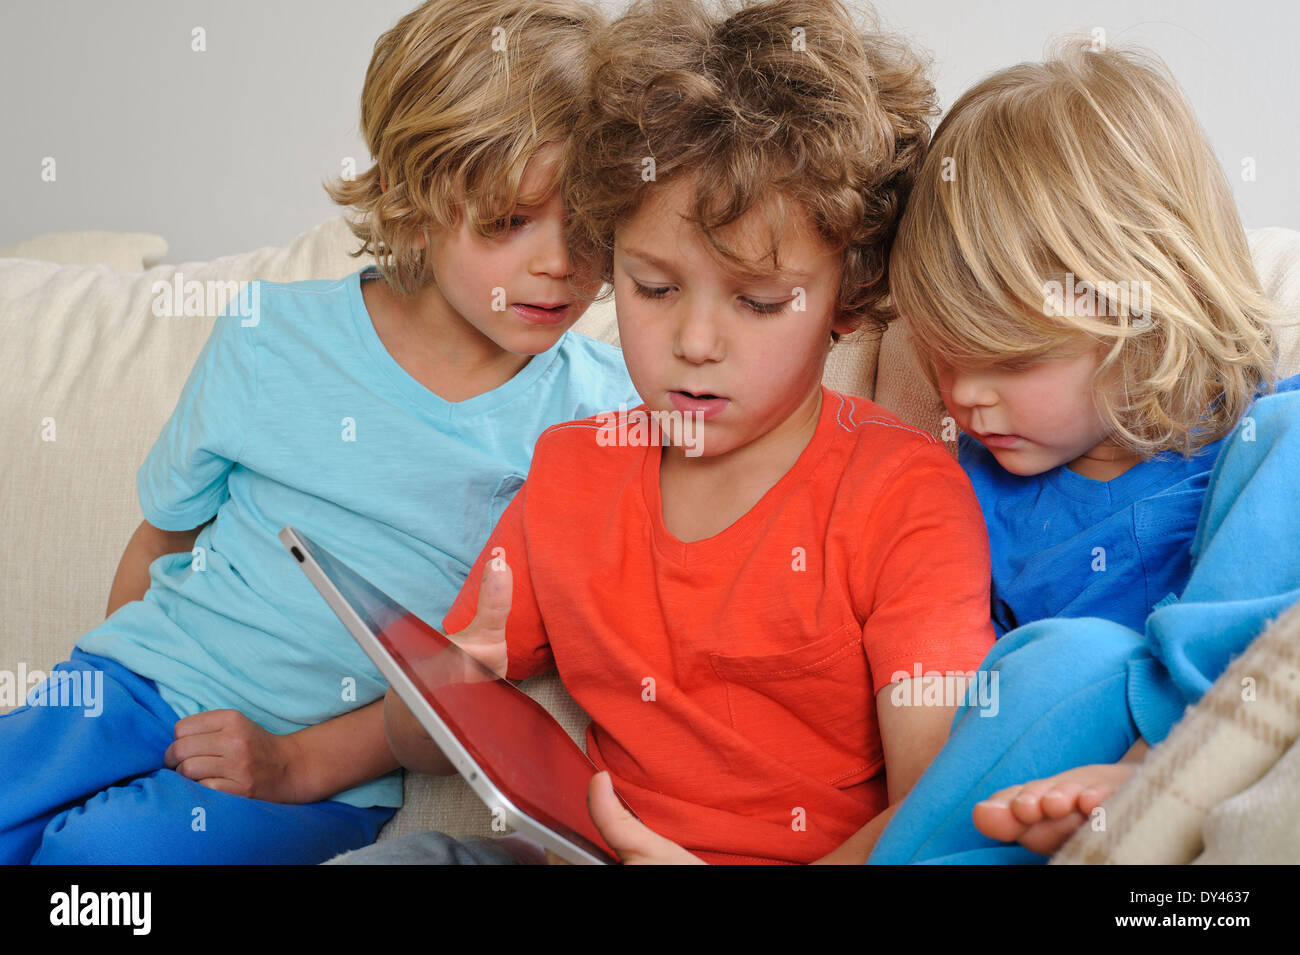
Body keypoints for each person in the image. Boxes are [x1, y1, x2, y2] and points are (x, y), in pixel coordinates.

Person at [330, 0, 997, 867]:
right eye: (654, 288)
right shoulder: (571, 474)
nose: (694, 344)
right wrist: (452, 681)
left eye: (758, 302)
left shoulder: (904, 495)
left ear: (850, 291)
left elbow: (938, 803)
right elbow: (425, 740)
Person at [0, 0, 639, 865]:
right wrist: (124, 693)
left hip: (321, 777)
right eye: (508, 221)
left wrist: (293, 762)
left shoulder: (602, 419)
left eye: (591, 226)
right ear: (414, 204)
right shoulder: (273, 335)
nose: (561, 263)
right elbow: (162, 531)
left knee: (102, 861)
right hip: (134, 684)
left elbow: (469, 676)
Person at [868, 39, 1300, 863]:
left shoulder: (1247, 439)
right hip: (1029, 801)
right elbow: (972, 726)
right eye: (943, 354)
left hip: (1201, 741)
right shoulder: (965, 488)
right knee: (1068, 661)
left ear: (1146, 313)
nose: (964, 396)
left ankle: (1162, 757)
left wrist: (1148, 752)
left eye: (1012, 358)